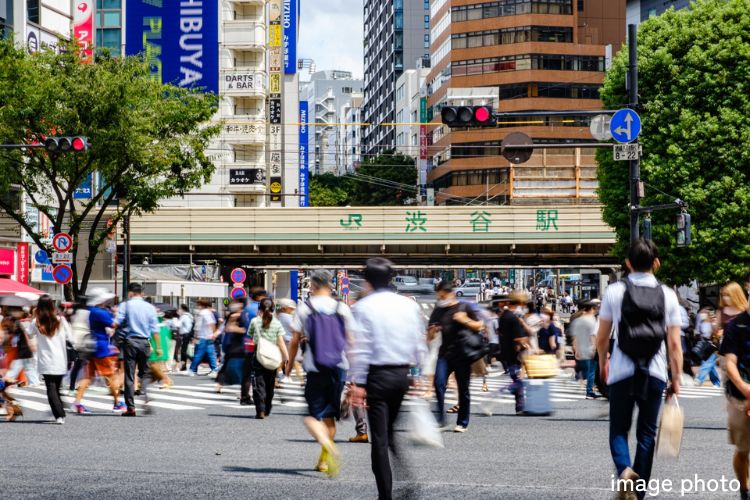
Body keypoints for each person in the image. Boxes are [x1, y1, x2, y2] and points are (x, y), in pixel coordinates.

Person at [596, 240, 682, 500]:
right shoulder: (668, 295)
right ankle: (638, 494)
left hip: (622, 371)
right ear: (656, 263)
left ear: (628, 263)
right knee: (647, 434)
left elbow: (601, 338)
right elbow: (675, 343)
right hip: (655, 372)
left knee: (619, 430)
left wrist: (603, 363)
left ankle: (624, 471)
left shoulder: (615, 291)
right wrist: (676, 377)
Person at [349, 258, 425, 500]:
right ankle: (406, 478)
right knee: (390, 433)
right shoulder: (408, 305)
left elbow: (360, 349)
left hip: (377, 377)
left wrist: (358, 384)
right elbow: (417, 340)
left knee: (379, 440)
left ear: (368, 280)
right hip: (401, 374)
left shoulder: (362, 307)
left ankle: (386, 495)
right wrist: (417, 374)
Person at [286, 270, 356, 477]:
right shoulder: (342, 307)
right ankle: (323, 462)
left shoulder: (305, 308)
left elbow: (294, 340)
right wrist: (355, 373)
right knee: (329, 417)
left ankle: (330, 448)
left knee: (311, 417)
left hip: (316, 368)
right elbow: (351, 341)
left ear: (313, 286)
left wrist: (289, 364)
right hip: (339, 367)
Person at [429, 281, 483, 432]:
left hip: (462, 355)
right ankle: (441, 420)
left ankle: (462, 422)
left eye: (443, 296)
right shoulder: (438, 310)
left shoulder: (464, 307)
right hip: (444, 354)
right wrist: (432, 331)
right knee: (439, 385)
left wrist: (465, 319)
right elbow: (429, 336)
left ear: (451, 293)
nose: (441, 299)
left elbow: (480, 326)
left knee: (463, 389)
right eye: (439, 297)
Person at [719, 279, 750, 500]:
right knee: (743, 448)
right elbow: (729, 362)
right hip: (740, 395)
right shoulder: (736, 325)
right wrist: (745, 388)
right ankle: (744, 490)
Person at [72, 288, 125, 414]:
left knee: (88, 377)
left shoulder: (89, 310)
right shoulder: (100, 312)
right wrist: (120, 317)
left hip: (91, 346)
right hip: (101, 347)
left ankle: (77, 403)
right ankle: (117, 403)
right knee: (111, 375)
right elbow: (114, 325)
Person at [115, 282, 160, 417]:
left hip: (130, 342)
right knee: (145, 373)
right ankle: (145, 396)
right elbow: (155, 329)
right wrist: (158, 347)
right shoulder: (149, 307)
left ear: (130, 293)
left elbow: (117, 322)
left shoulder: (125, 305)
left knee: (129, 375)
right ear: (142, 293)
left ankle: (131, 408)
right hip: (145, 342)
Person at [31, 295, 72, 424]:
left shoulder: (36, 322)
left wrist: (33, 316)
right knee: (56, 386)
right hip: (60, 358)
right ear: (52, 306)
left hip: (46, 359)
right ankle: (59, 413)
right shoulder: (61, 320)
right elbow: (70, 337)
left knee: (51, 386)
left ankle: (59, 414)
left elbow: (28, 333)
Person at [248, 298, 289, 419]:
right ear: (273, 309)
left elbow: (250, 336)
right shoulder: (277, 323)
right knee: (270, 384)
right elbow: (281, 342)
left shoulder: (254, 321)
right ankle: (267, 408)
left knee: (258, 384)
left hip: (258, 355)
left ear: (259, 308)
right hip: (273, 357)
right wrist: (286, 358)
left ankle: (260, 410)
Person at [498, 292, 531, 414]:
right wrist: (526, 342)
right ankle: (520, 407)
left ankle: (520, 407)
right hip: (514, 353)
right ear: (519, 303)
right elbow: (518, 338)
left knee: (517, 379)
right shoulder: (513, 318)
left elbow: (501, 333)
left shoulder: (503, 316)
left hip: (506, 351)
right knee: (517, 380)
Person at [240, 289, 267, 406]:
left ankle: (244, 396)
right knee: (260, 371)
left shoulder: (246, 308)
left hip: (246, 342)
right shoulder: (259, 309)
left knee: (247, 372)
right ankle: (260, 396)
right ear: (260, 296)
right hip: (257, 343)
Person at [569, 302, 600, 399]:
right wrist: (595, 348)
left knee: (588, 371)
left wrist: (575, 349)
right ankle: (589, 392)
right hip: (590, 348)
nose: (596, 311)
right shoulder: (591, 320)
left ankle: (590, 389)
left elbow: (574, 337)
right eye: (595, 309)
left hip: (580, 349)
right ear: (591, 309)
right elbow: (593, 335)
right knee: (592, 371)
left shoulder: (577, 320)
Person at [216, 298, 247, 393]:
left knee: (242, 368)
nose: (233, 305)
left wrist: (234, 328)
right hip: (231, 345)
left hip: (241, 345)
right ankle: (220, 384)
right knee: (226, 365)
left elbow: (245, 330)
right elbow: (226, 328)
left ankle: (245, 390)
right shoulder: (231, 315)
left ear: (241, 304)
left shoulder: (245, 316)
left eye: (235, 303)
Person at [189, 299, 218, 376]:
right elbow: (213, 323)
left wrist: (195, 337)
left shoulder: (202, 313)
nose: (197, 306)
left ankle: (192, 369)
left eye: (198, 304)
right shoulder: (209, 312)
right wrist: (213, 333)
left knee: (199, 354)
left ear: (201, 305)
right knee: (211, 353)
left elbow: (198, 326)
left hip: (203, 336)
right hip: (208, 336)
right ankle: (214, 369)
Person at [175, 304, 194, 371]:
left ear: (182, 309)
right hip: (188, 334)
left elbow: (177, 324)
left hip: (185, 335)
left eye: (179, 309)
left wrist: (175, 318)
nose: (178, 310)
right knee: (184, 351)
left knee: (183, 351)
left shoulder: (183, 316)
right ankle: (183, 366)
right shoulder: (189, 315)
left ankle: (193, 359)